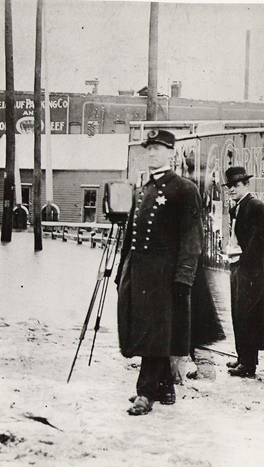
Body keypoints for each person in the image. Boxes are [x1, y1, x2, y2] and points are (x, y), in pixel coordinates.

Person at [115, 129, 203, 416]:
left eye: (158, 148)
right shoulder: (142, 190)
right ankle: (165, 386)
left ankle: (146, 392)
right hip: (139, 272)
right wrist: (121, 271)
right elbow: (130, 235)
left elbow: (192, 239)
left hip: (164, 275)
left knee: (156, 332)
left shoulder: (184, 189)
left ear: (171, 153)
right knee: (148, 331)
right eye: (149, 149)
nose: (152, 153)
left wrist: (184, 277)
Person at [223, 166, 264, 378]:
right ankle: (242, 357)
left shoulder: (255, 206)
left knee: (247, 315)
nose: (231, 189)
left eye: (236, 185)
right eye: (229, 186)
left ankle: (248, 364)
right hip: (237, 266)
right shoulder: (236, 207)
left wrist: (245, 264)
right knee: (237, 313)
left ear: (246, 185)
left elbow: (259, 240)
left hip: (251, 270)